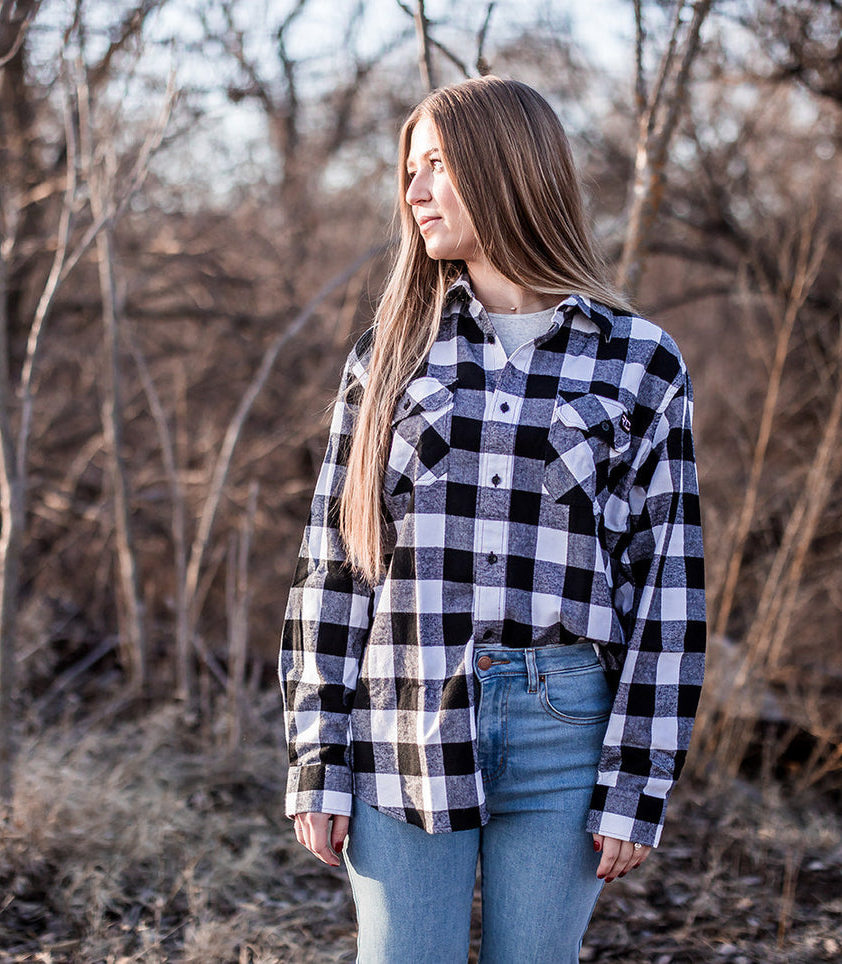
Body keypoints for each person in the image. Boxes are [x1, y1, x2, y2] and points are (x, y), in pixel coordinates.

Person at [280, 75, 706, 964]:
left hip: (565, 726)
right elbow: (332, 565)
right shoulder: (392, 351)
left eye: (436, 164)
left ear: (505, 168)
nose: (414, 190)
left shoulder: (638, 363)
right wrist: (317, 758)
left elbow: (667, 589)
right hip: (401, 713)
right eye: (409, 169)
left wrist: (638, 779)